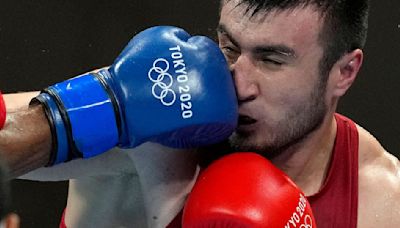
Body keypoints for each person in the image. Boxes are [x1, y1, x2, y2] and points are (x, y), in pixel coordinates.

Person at [2, 0, 400, 227]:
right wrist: (109, 104)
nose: (239, 84)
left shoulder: (383, 204)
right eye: (229, 47)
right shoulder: (158, 130)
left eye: (271, 60)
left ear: (344, 72)